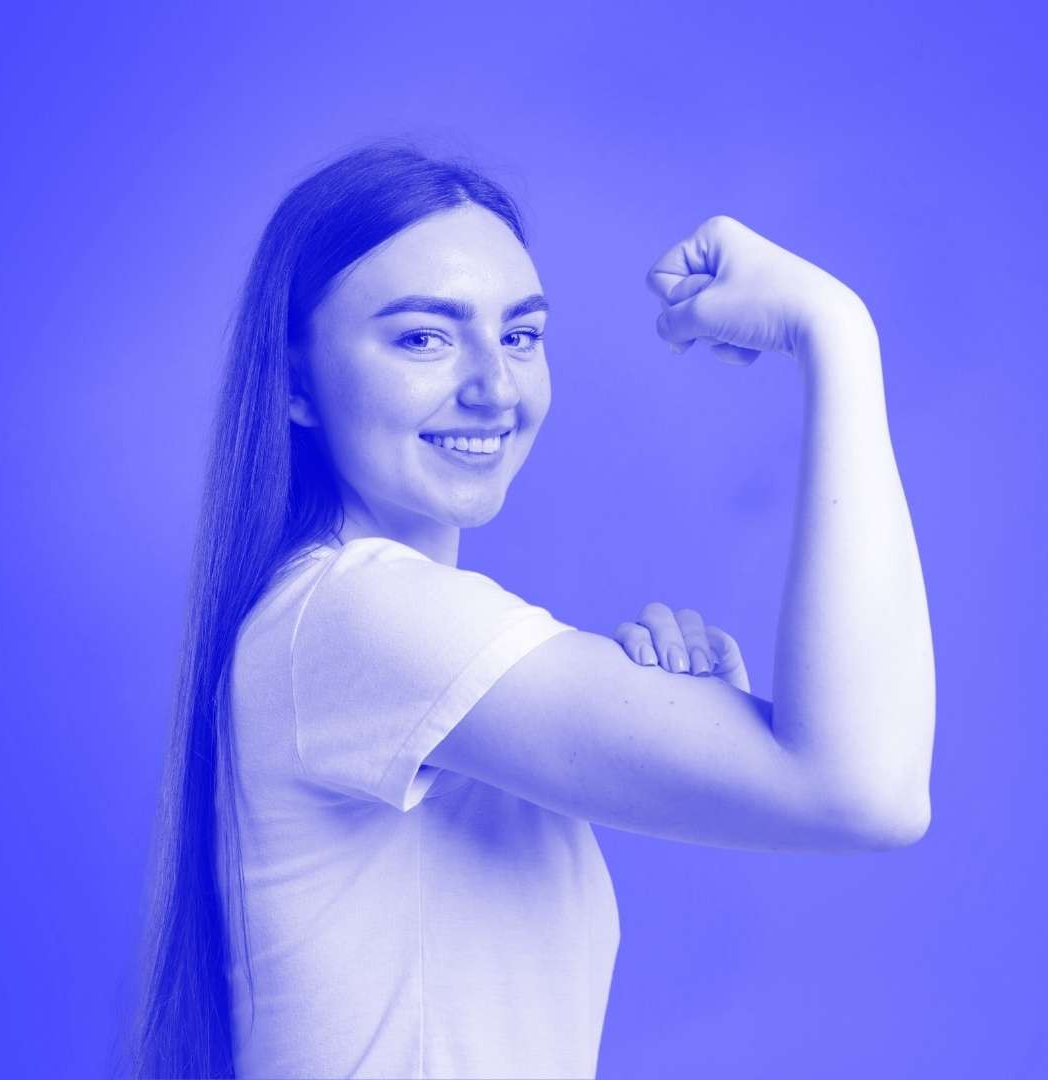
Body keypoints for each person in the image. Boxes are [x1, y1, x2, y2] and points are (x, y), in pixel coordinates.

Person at [121, 139, 936, 1079]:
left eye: (519, 334)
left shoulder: (382, 637)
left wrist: (692, 729)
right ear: (297, 383)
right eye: (423, 336)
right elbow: (863, 788)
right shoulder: (361, 615)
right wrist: (838, 335)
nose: (494, 387)